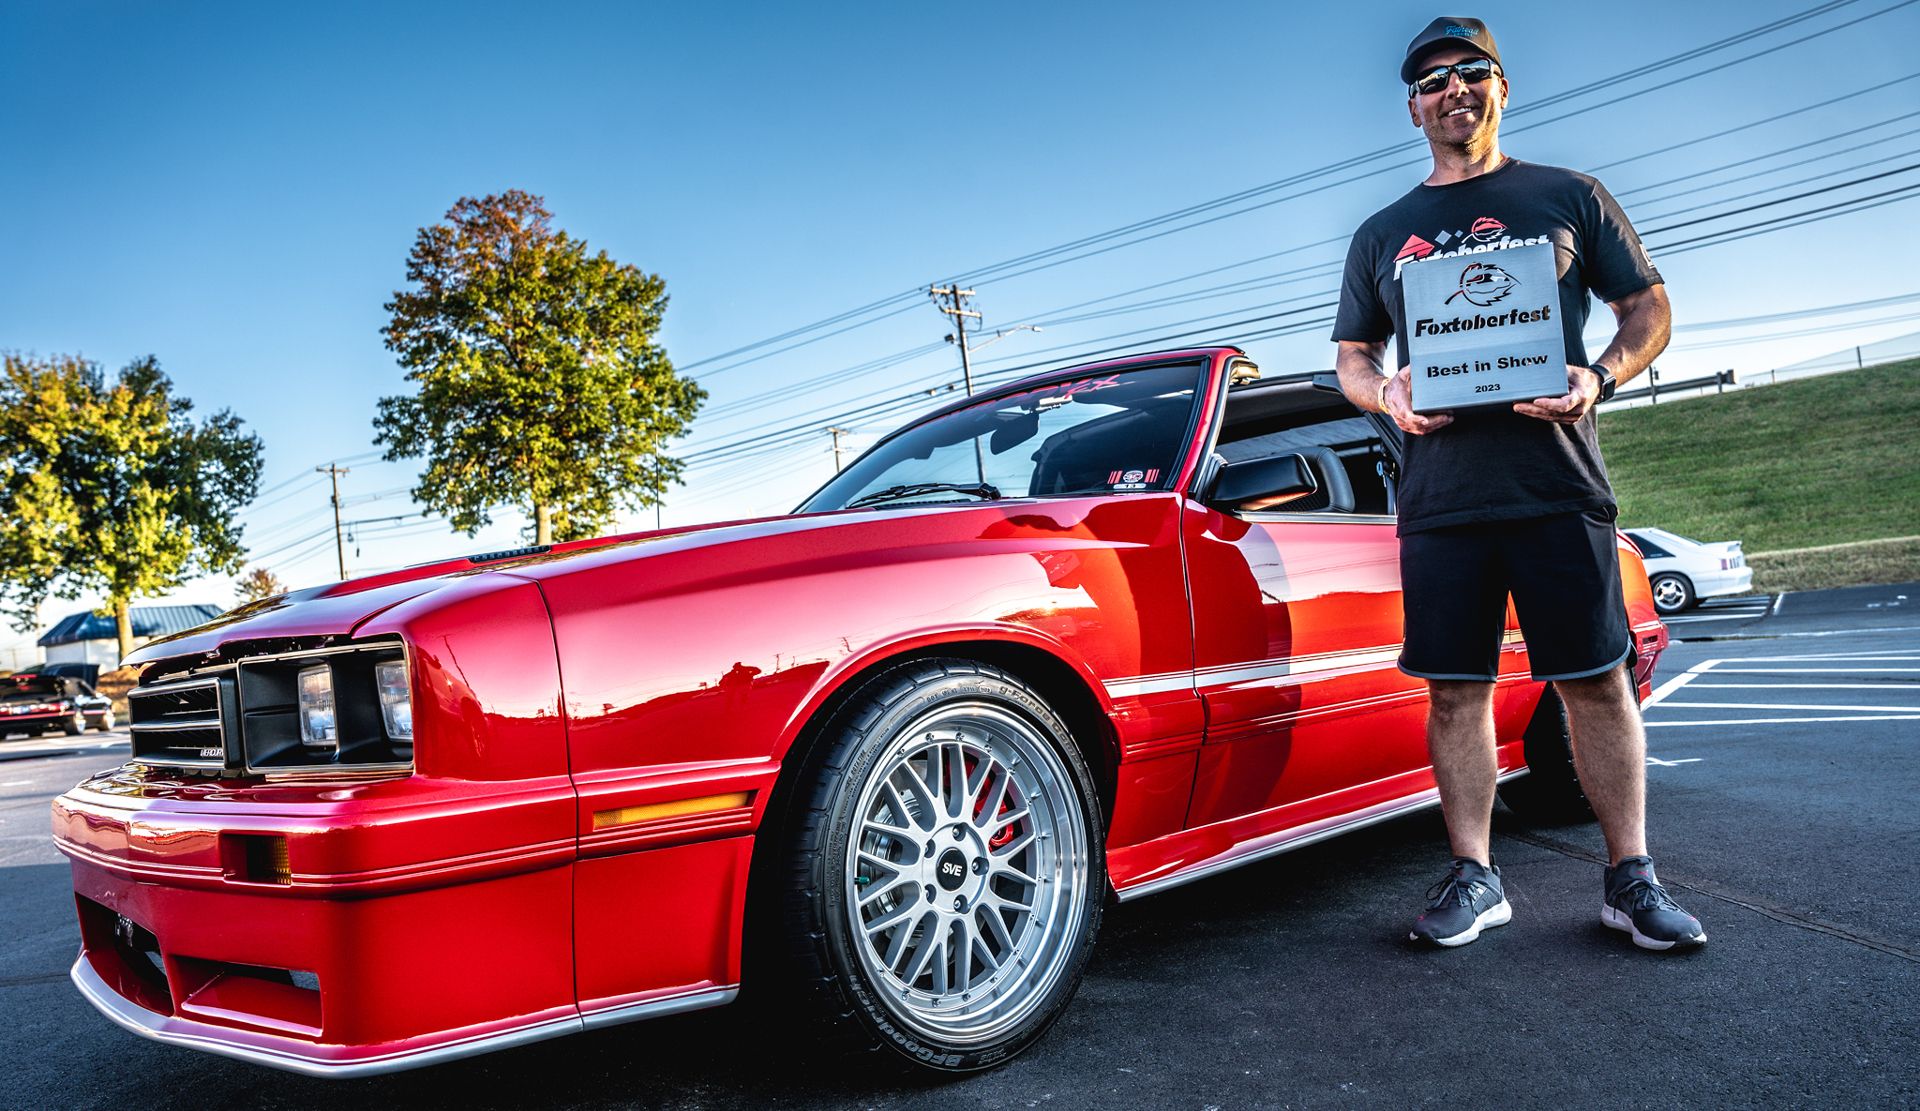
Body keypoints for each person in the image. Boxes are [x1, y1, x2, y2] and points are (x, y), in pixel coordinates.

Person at [1332, 16, 1706, 951]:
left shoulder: (1569, 195)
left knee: (1593, 678)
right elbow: (1351, 355)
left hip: (1556, 482)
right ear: (1411, 107)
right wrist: (1387, 392)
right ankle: (1475, 873)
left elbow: (1648, 306)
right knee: (1454, 689)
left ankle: (1631, 878)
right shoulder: (1383, 233)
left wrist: (1599, 376)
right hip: (1442, 495)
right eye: (1431, 80)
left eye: (1472, 72)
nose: (1452, 89)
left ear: (1502, 87)